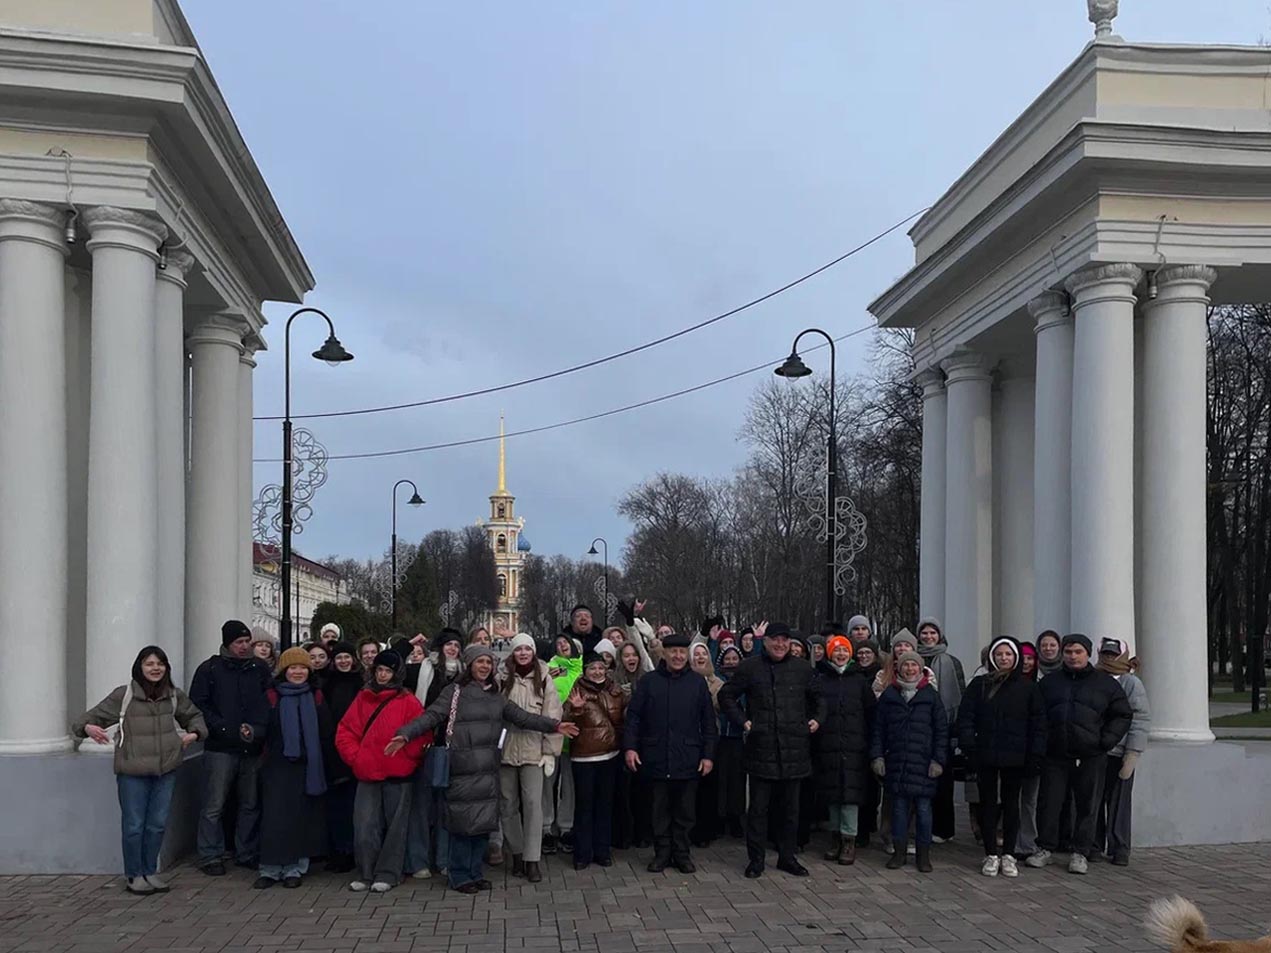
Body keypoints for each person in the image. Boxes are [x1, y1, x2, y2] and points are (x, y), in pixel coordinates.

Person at [389, 644, 579, 894]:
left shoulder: (496, 696)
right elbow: (431, 716)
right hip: (462, 767)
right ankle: (459, 875)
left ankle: (475, 873)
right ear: (470, 665)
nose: (485, 666)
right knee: (462, 823)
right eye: (480, 662)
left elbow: (523, 717)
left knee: (481, 824)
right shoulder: (454, 692)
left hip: (488, 768)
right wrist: (406, 734)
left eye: (488, 662)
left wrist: (554, 726)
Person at [72, 646, 206, 894]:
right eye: (149, 664)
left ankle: (149, 871)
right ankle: (134, 875)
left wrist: (194, 734)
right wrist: (88, 728)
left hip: (165, 769)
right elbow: (85, 720)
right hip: (132, 771)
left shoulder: (173, 695)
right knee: (134, 825)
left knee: (157, 825)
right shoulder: (124, 696)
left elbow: (194, 716)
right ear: (139, 667)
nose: (155, 668)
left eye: (160, 664)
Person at [718, 621, 824, 879]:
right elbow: (726, 696)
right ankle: (756, 860)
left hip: (794, 750)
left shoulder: (802, 669)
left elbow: (820, 698)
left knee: (791, 811)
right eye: (775, 640)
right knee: (758, 810)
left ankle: (788, 857)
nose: (780, 644)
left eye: (785, 640)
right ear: (764, 642)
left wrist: (817, 719)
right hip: (761, 750)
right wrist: (743, 721)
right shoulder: (750, 667)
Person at [1027, 634, 1133, 875]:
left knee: (1088, 804)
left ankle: (1081, 851)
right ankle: (1045, 848)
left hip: (1091, 755)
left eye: (1078, 652)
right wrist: (1042, 742)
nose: (1073, 656)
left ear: (1088, 654)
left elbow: (1122, 714)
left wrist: (1106, 740)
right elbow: (1036, 715)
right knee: (1049, 803)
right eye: (1068, 652)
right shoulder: (1050, 683)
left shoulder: (1105, 684)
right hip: (1056, 754)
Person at [335, 649, 430, 892]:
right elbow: (346, 731)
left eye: (387, 671)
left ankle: (389, 873)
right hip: (367, 772)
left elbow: (421, 732)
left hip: (398, 773)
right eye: (379, 670)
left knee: (396, 829)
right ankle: (366, 872)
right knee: (365, 826)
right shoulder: (363, 698)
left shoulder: (408, 701)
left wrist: (408, 758)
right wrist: (357, 758)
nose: (383, 675)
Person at [623, 631, 718, 874]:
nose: (678, 656)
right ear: (664, 653)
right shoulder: (649, 682)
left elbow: (708, 722)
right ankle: (662, 853)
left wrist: (708, 755)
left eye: (682, 652)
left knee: (685, 811)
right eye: (673, 651)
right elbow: (634, 717)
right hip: (655, 756)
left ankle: (682, 854)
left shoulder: (697, 683)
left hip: (688, 758)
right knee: (659, 810)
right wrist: (631, 747)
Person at [956, 637, 1046, 879]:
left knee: (1011, 804)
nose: (1003, 658)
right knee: (987, 804)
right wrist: (969, 746)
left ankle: (1008, 854)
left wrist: (1035, 754)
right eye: (999, 654)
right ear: (992, 657)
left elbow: (1038, 724)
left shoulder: (1028, 688)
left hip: (1016, 756)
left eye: (1008, 654)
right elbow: (966, 717)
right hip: (985, 754)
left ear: (1015, 657)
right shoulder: (980, 685)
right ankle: (990, 853)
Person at [190, 619, 271, 875]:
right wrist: (222, 728)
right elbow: (199, 704)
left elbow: (268, 702)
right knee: (214, 804)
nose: (244, 646)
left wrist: (257, 729)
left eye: (247, 641)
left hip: (251, 746)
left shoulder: (259, 668)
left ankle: (246, 851)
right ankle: (210, 854)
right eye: (239, 642)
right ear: (227, 643)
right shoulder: (209, 669)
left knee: (250, 803)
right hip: (220, 747)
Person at [255, 647, 333, 889]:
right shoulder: (271, 696)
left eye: (302, 668)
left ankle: (295, 868)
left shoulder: (316, 696)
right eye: (293, 668)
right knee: (273, 818)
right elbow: (261, 728)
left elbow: (326, 732)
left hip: (307, 766)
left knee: (300, 819)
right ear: (284, 671)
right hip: (276, 764)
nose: (298, 672)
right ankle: (269, 868)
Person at [871, 651, 947, 873]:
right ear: (899, 668)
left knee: (923, 811)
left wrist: (938, 760)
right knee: (899, 811)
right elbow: (878, 729)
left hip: (923, 764)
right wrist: (878, 756)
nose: (910, 669)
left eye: (914, 665)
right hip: (897, 762)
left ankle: (923, 855)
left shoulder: (931, 696)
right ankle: (899, 852)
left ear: (921, 668)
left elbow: (941, 731)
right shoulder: (889, 696)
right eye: (906, 665)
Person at [497, 633, 563, 883]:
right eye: (518, 649)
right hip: (506, 750)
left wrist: (549, 751)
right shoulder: (501, 677)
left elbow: (553, 715)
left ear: (533, 652)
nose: (523, 653)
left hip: (533, 751)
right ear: (512, 653)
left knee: (534, 804)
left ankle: (532, 858)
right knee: (507, 804)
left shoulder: (544, 678)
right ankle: (516, 852)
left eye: (527, 649)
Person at [811, 634, 874, 866]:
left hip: (854, 747)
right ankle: (835, 837)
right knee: (833, 795)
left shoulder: (859, 681)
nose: (840, 654)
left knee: (850, 796)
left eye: (845, 650)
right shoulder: (821, 680)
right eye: (836, 650)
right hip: (828, 746)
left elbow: (871, 713)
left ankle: (849, 840)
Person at [407, 628, 464, 879]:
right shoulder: (424, 669)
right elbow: (391, 666)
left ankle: (444, 859)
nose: (452, 649)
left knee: (446, 806)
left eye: (456, 645)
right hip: (425, 743)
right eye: (448, 644)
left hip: (452, 746)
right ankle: (418, 860)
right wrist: (409, 643)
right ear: (440, 647)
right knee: (421, 806)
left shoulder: (463, 674)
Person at [563, 652, 627, 870]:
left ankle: (602, 850)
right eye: (592, 668)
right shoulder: (577, 689)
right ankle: (582, 853)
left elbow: (624, 717)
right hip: (584, 756)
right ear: (585, 671)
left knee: (605, 804)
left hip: (610, 755)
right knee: (584, 805)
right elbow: (565, 719)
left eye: (600, 667)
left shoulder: (616, 690)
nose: (597, 672)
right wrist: (577, 708)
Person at [1093, 638, 1151, 866]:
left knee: (1119, 804)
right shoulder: (1094, 679)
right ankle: (1094, 844)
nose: (1108, 658)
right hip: (1096, 751)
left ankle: (1120, 847)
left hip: (1121, 753)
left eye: (1113, 654)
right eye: (1105, 654)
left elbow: (1140, 718)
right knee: (1093, 801)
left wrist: (1133, 753)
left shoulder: (1131, 683)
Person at [915, 618, 965, 844]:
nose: (928, 637)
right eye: (924, 633)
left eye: (932, 633)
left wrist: (955, 731)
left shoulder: (951, 662)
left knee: (943, 781)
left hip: (944, 727)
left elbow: (959, 695)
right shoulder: (913, 659)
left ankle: (944, 828)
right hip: (919, 728)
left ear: (940, 636)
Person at [322, 642, 363, 873]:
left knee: (354, 805)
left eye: (347, 657)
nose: (343, 661)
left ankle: (352, 851)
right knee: (335, 807)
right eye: (339, 658)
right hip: (332, 750)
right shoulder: (327, 684)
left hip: (356, 748)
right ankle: (338, 851)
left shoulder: (361, 683)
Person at [542, 635, 582, 855]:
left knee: (569, 786)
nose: (563, 645)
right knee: (547, 784)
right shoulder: (548, 668)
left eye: (566, 642)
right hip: (551, 733)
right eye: (559, 643)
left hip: (574, 736)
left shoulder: (583, 668)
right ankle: (546, 827)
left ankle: (566, 827)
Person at [689, 640, 725, 847]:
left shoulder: (717, 683)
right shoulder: (684, 680)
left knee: (708, 787)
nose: (700, 657)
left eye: (703, 654)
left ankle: (706, 830)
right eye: (696, 654)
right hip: (689, 740)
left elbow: (718, 706)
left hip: (710, 739)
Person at [850, 639, 882, 848]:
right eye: (860, 653)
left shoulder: (880, 675)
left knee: (871, 786)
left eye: (867, 652)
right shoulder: (852, 676)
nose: (863, 656)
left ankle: (868, 823)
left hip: (871, 734)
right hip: (854, 736)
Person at [713, 644, 746, 839]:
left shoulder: (745, 681)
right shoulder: (718, 680)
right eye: (728, 658)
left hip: (739, 737)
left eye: (735, 658)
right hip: (720, 737)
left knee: (737, 781)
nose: (731, 662)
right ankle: (719, 817)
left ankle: (736, 817)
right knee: (720, 779)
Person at [1015, 641, 1043, 858]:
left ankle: (1027, 842)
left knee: (1030, 800)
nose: (1026, 662)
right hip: (1011, 750)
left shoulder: (1041, 685)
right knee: (1010, 800)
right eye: (1023, 658)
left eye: (1030, 658)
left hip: (1034, 750)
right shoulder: (1006, 684)